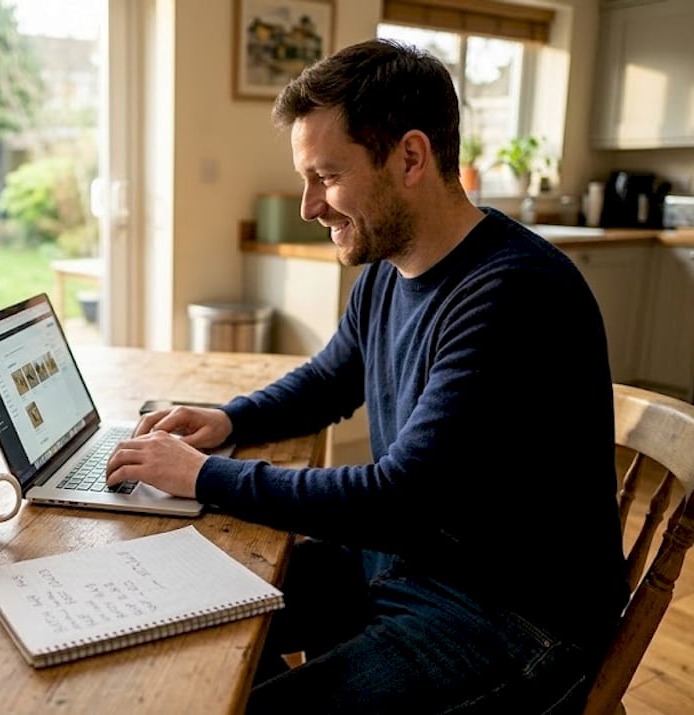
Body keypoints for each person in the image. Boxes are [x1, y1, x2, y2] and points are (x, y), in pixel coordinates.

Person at [105, 39, 627, 713]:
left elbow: (396, 499)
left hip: (513, 618)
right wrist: (232, 419)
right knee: (184, 610)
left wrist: (203, 474)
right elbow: (329, 379)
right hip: (410, 562)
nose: (309, 205)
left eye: (325, 175)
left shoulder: (513, 294)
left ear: (410, 157)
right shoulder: (391, 267)